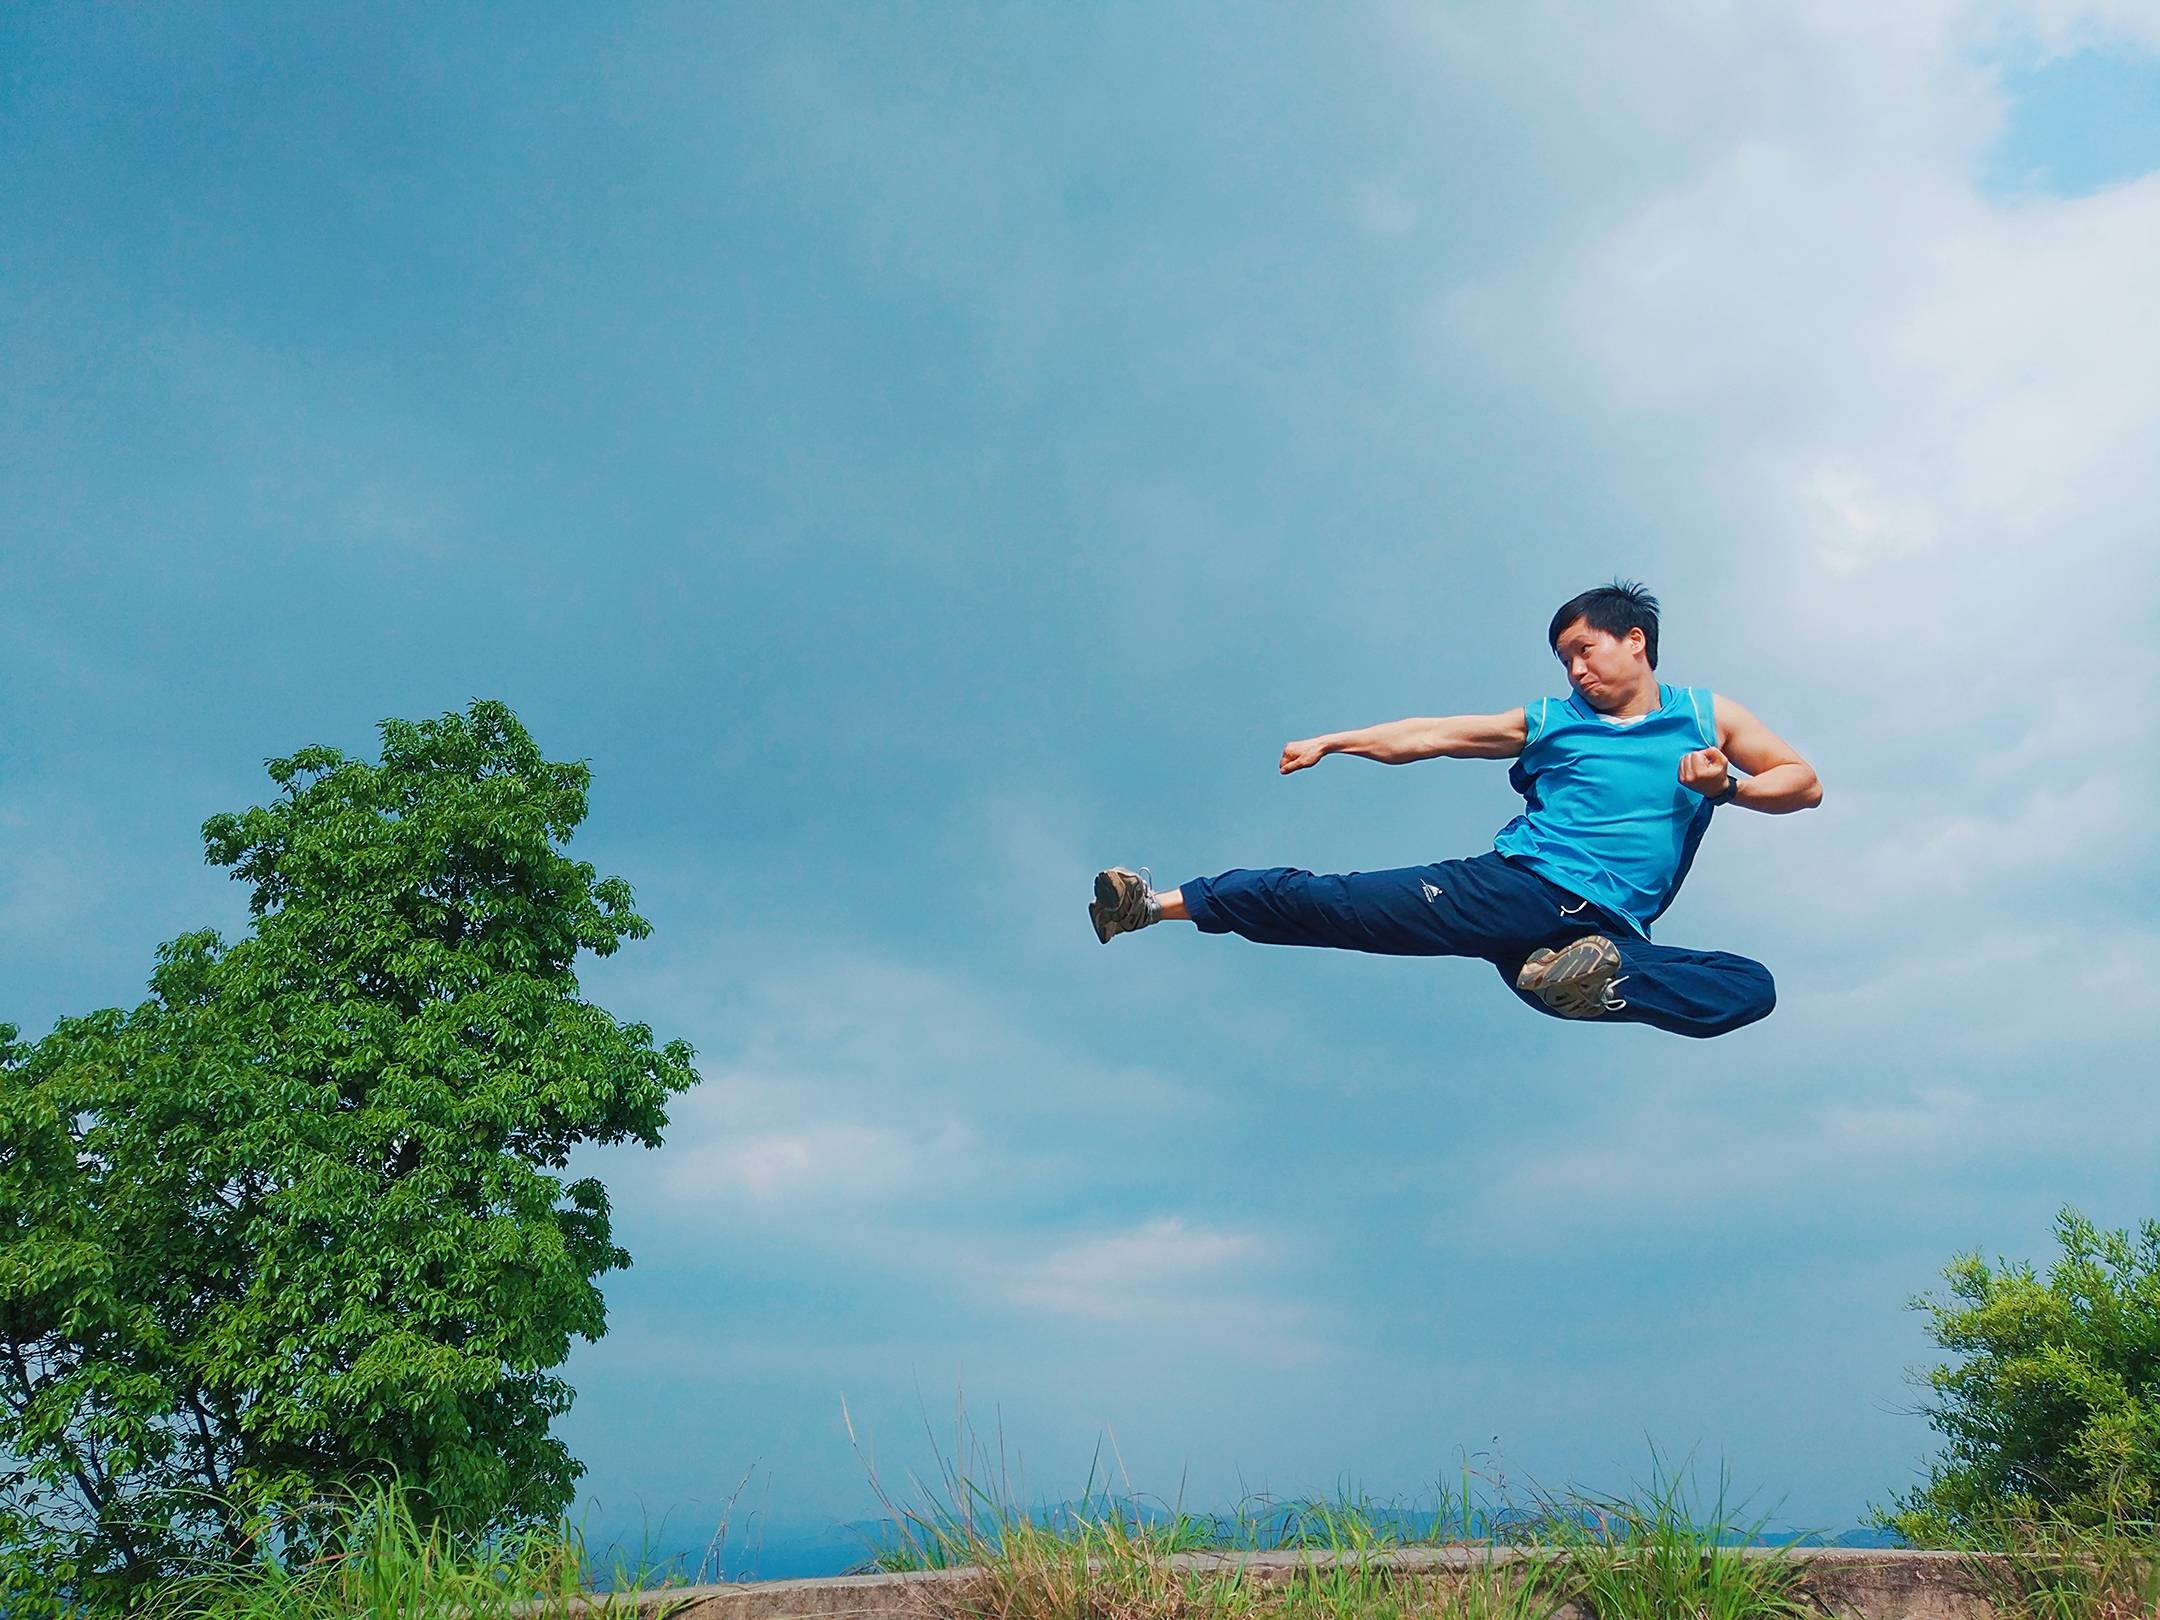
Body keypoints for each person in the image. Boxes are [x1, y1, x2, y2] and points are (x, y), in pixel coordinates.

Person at [1089, 581, 1822, 1039]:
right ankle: (1150, 907)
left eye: (1586, 650)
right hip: (1512, 891)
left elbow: (1801, 782)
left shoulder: (1706, 716)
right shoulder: (1553, 721)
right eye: (1564, 659)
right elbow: (1434, 735)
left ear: (1636, 641)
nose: (1575, 669)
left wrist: (1729, 788)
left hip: (1606, 936)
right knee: (1331, 902)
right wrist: (1337, 741)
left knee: (1749, 988)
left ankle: (1594, 980)